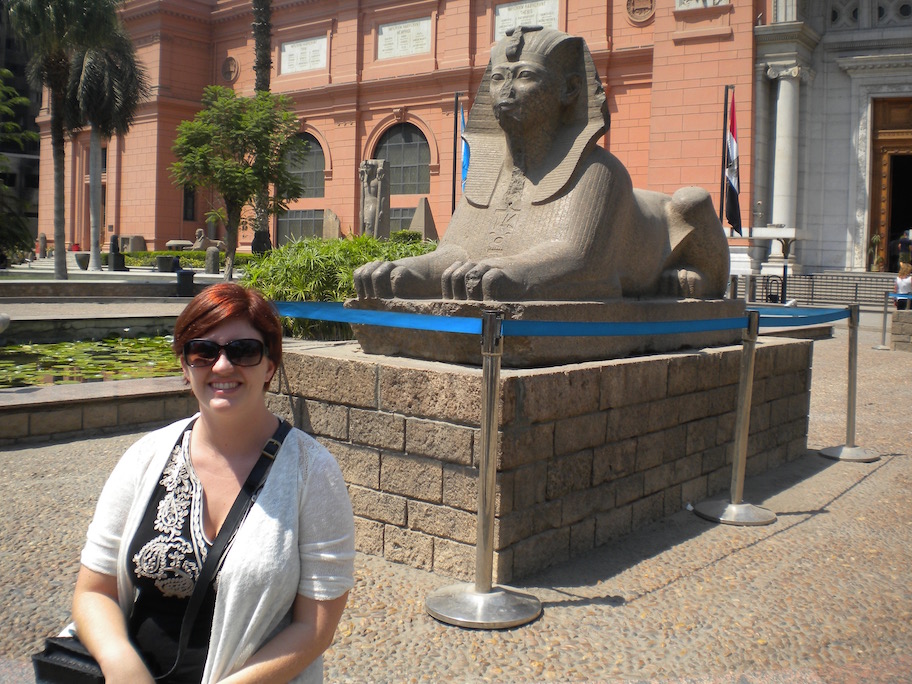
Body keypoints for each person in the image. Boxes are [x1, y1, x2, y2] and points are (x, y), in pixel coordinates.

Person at [71, 283, 355, 683]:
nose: (222, 366)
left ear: (270, 366)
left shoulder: (312, 471)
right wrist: (120, 662)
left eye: (244, 351)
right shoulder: (146, 457)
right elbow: (94, 590)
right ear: (185, 365)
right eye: (202, 351)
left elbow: (315, 627)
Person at [353, 25, 729, 302]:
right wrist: (408, 271)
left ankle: (708, 273)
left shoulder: (600, 172)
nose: (506, 91)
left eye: (525, 76)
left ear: (569, 89)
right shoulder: (485, 175)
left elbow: (584, 264)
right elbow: (455, 254)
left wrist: (515, 272)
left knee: (689, 201)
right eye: (497, 78)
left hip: (662, 238)